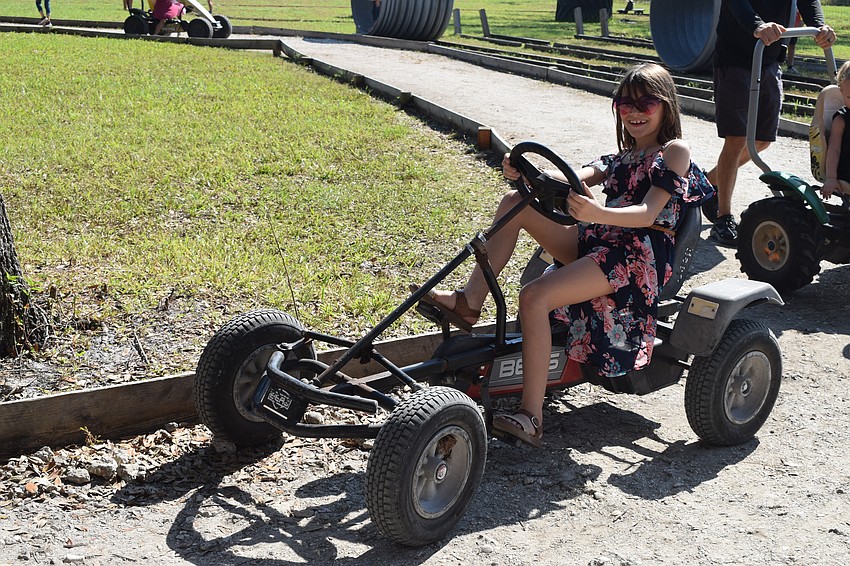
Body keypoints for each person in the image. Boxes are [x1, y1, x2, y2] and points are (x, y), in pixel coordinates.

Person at [417, 63, 713, 447]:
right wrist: (524, 173)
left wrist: (597, 213)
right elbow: (574, 175)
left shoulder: (674, 151)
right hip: (601, 241)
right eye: (625, 103)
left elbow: (649, 213)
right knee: (515, 202)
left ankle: (531, 417)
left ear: (667, 106)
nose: (634, 111)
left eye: (646, 103)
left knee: (535, 296)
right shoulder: (620, 157)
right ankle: (469, 302)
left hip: (636, 258)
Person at [703, 1, 835, 247]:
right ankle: (723, 218)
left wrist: (819, 26)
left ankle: (709, 181)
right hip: (736, 57)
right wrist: (757, 26)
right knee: (737, 138)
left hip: (769, 57)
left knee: (762, 140)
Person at [821, 60, 850, 199]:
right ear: (841, 92)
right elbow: (834, 150)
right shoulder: (841, 119)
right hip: (847, 172)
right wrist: (831, 177)